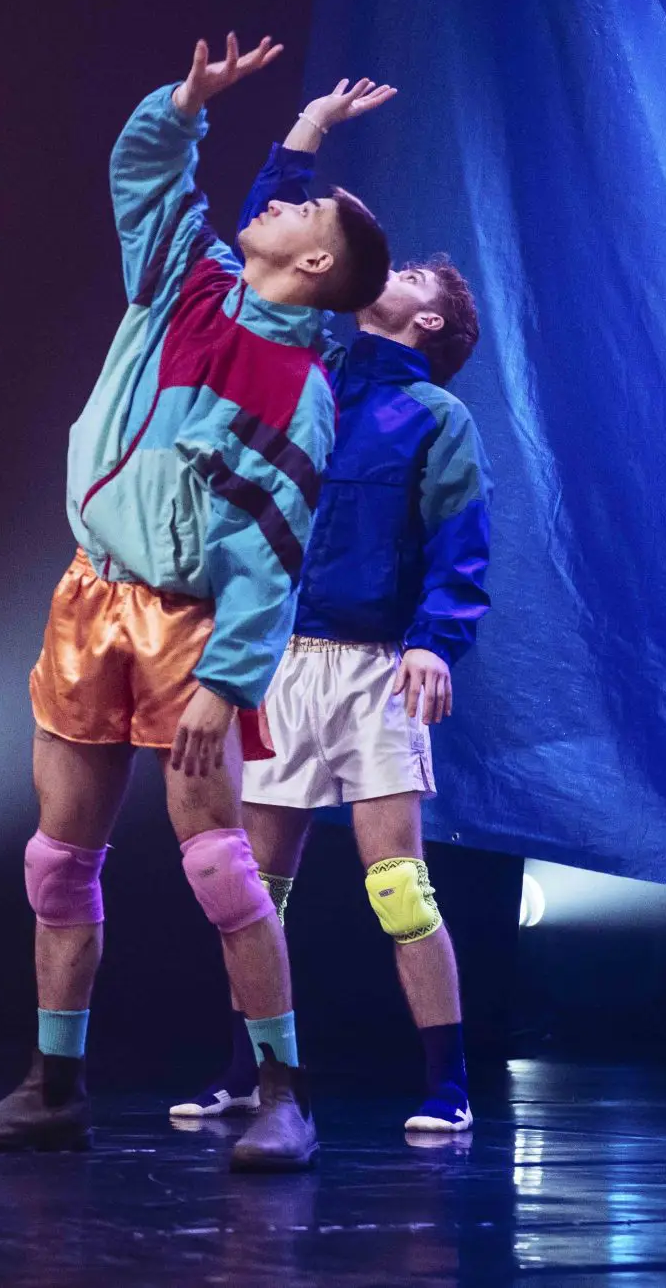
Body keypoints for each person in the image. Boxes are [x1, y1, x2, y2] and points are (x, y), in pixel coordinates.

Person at [0, 35, 393, 1174]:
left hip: (190, 629)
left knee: (220, 866)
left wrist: (227, 681)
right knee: (57, 862)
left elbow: (271, 552)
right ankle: (53, 1088)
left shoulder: (298, 386)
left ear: (316, 262)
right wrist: (185, 105)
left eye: (303, 207)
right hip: (89, 597)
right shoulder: (184, 277)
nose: (278, 199)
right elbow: (144, 172)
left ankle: (283, 1092)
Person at [167, 105, 489, 1136]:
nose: (396, 271)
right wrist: (301, 137)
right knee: (252, 890)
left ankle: (448, 1085)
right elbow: (277, 241)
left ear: (429, 322)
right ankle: (250, 1074)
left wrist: (435, 643)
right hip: (280, 665)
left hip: (373, 670)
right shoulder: (312, 367)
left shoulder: (436, 418)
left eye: (416, 277)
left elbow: (459, 547)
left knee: (398, 888)